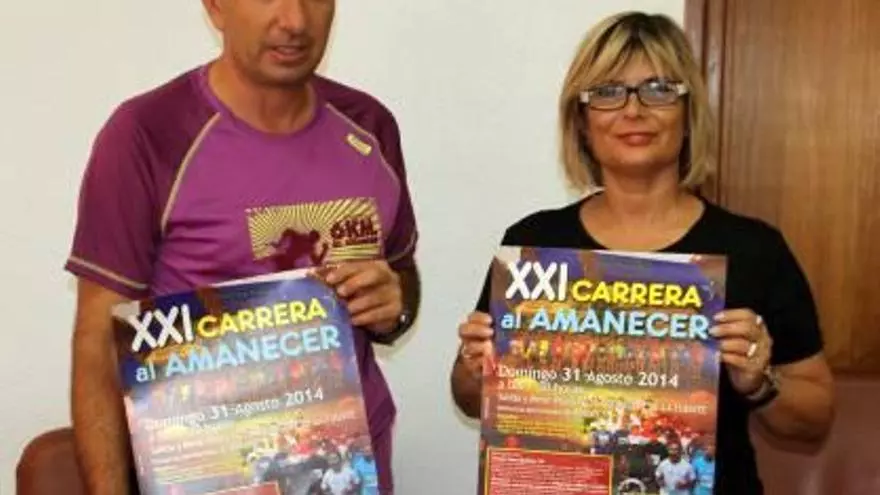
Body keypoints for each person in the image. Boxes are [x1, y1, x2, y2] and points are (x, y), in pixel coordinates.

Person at [449, 11, 833, 494]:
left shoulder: (755, 249)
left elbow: (815, 417)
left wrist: (760, 382)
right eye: (608, 91)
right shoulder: (536, 244)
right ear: (582, 120)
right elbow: (469, 398)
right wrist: (475, 367)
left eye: (659, 89)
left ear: (688, 113)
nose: (633, 110)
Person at [65, 1, 420, 494]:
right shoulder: (147, 134)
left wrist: (392, 307)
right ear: (215, 6)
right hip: (206, 473)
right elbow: (97, 344)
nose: (295, 21)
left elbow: (402, 276)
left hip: (345, 470)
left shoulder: (370, 126)